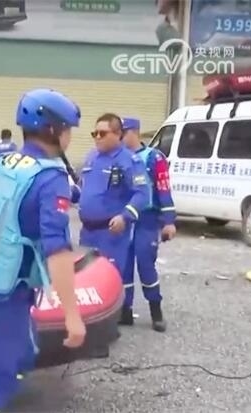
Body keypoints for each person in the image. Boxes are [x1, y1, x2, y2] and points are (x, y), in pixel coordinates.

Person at [0, 88, 86, 413]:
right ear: (53, 130)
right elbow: (57, 250)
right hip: (7, 292)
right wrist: (72, 316)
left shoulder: (4, 163)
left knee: (24, 351)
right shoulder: (50, 178)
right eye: (68, 129)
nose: (70, 136)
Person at [78, 113, 153, 316]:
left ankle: (111, 321)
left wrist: (125, 216)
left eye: (102, 133)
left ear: (118, 134)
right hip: (88, 232)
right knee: (86, 277)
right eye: (94, 133)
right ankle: (90, 320)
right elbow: (83, 187)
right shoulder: (91, 157)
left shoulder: (129, 161)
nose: (97, 138)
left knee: (108, 278)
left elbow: (142, 193)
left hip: (111, 233)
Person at [120, 117, 175, 332]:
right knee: (123, 266)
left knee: (146, 265)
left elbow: (163, 188)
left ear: (134, 132)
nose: (120, 137)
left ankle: (156, 311)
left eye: (123, 133)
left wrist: (169, 221)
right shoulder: (119, 158)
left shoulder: (154, 158)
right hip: (125, 219)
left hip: (147, 219)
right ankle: (125, 311)